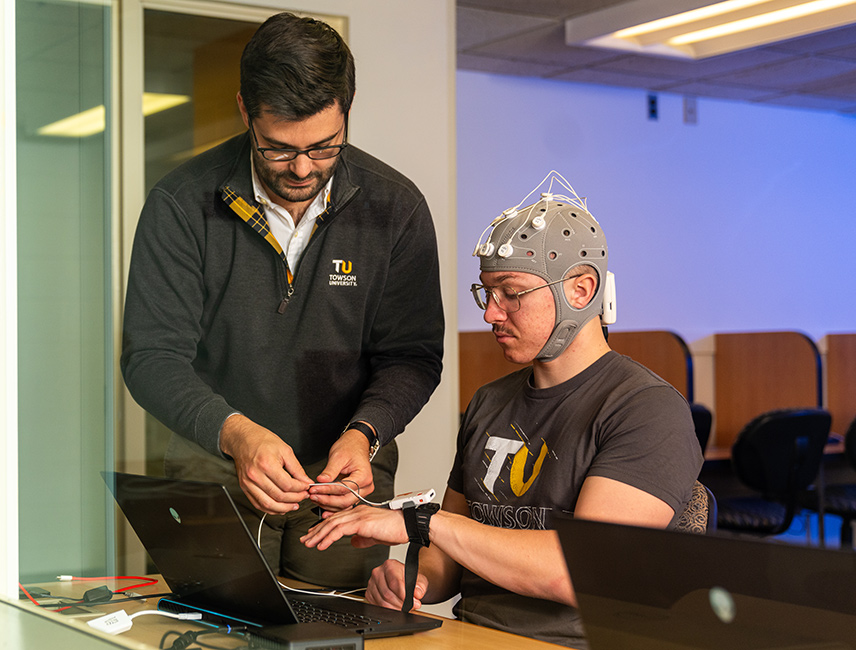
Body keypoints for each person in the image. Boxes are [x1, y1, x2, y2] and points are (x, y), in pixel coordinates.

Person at [301, 174, 703, 648]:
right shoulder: (490, 402)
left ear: (581, 289)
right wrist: (415, 577)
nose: (491, 313)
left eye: (511, 293)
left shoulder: (647, 410)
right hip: (470, 635)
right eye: (486, 293)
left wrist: (424, 521)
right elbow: (450, 558)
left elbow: (579, 573)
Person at [120, 12, 444, 589]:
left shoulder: (397, 209)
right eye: (278, 150)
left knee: (338, 624)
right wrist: (235, 433)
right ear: (246, 111)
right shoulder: (181, 203)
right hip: (212, 463)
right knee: (209, 627)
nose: (301, 168)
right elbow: (151, 357)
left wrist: (366, 432)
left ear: (347, 109)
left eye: (325, 148)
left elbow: (413, 356)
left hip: (340, 484)